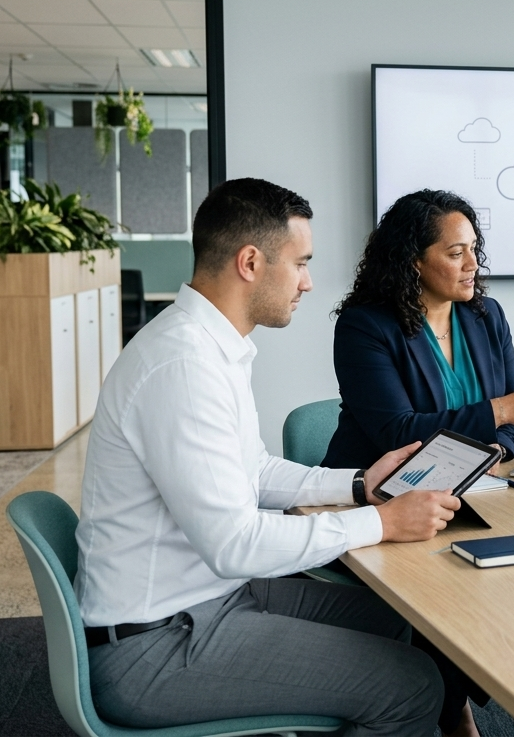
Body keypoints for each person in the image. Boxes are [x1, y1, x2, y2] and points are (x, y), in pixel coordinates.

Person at [74, 178, 474, 737]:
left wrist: (359, 484)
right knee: (414, 686)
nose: (309, 283)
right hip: (154, 645)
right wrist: (379, 521)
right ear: (250, 262)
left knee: (407, 623)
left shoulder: (212, 346)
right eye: (301, 263)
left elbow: (254, 470)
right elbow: (235, 543)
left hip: (203, 598)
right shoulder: (183, 366)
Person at [323, 189, 514, 469]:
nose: (473, 263)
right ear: (414, 261)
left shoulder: (488, 315)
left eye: (473, 248)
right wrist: (501, 410)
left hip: (468, 481)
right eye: (456, 253)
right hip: (372, 489)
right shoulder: (364, 327)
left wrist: (498, 449)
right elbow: (398, 433)